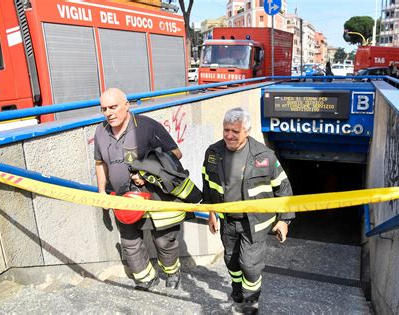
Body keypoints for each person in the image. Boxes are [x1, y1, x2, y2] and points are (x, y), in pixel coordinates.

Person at [202, 107, 294, 314]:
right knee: (231, 260)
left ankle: (251, 302)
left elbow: (284, 188)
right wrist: (211, 213)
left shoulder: (264, 155)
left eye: (235, 131)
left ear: (247, 131)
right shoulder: (213, 153)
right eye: (226, 130)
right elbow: (208, 185)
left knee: (250, 265)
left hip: (256, 222)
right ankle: (237, 289)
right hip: (228, 221)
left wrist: (284, 220)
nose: (229, 135)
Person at [94, 88, 185, 291]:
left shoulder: (147, 127)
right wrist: (101, 192)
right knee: (129, 241)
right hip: (123, 199)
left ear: (127, 105)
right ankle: (145, 278)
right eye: (104, 109)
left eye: (113, 107)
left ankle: (172, 272)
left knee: (164, 240)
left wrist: (147, 172)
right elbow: (100, 163)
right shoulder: (100, 131)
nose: (109, 113)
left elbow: (176, 154)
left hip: (156, 197)